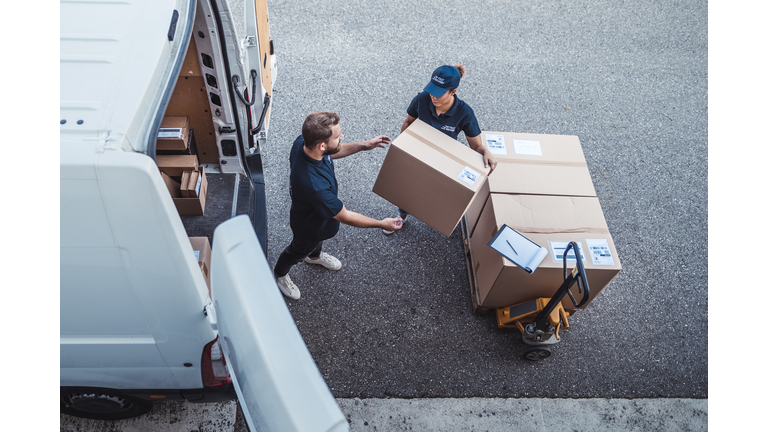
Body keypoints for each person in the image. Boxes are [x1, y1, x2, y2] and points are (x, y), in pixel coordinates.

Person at [274, 111, 403, 300]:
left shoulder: (303, 143)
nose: (342, 137)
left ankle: (314, 257)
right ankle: (280, 274)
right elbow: (345, 216)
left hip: (320, 218)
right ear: (322, 144)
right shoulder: (315, 187)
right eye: (338, 136)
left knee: (315, 243)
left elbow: (332, 152)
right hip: (309, 227)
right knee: (298, 250)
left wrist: (363, 145)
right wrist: (382, 224)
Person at [383, 64, 498, 235]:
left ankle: (437, 218)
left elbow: (476, 146)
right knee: (408, 187)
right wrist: (403, 145)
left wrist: (486, 152)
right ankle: (402, 215)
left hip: (444, 159)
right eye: (432, 89)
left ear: (453, 91)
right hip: (418, 153)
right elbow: (408, 122)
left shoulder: (465, 113)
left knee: (436, 190)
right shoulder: (421, 99)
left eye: (439, 92)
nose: (433, 96)